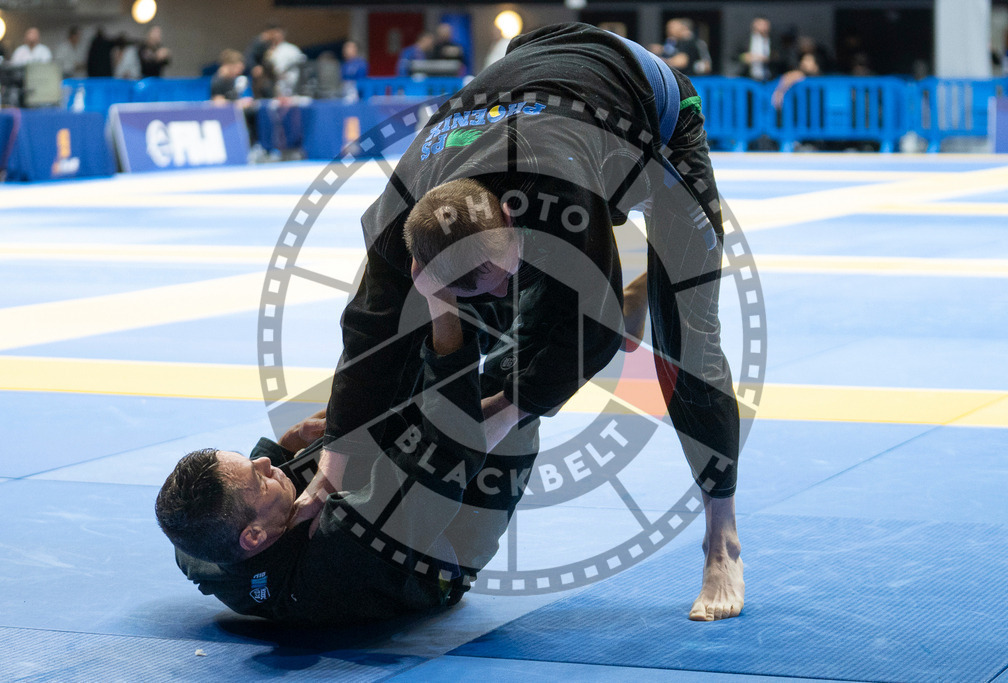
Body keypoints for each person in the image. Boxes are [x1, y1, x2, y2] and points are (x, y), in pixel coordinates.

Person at [295, 22, 744, 622]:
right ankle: (606, 288)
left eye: (502, 271)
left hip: (650, 113)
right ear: (414, 261)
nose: (503, 291)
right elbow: (367, 340)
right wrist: (334, 459)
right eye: (483, 283)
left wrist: (509, 409)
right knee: (484, 317)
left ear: (512, 215)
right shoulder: (393, 217)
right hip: (541, 87)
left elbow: (599, 327)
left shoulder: (556, 187)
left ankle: (723, 540)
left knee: (685, 334)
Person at [157, 283, 541, 623]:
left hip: (368, 497)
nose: (266, 464)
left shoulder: (204, 552)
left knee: (395, 349)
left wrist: (292, 438)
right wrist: (442, 301)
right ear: (254, 537)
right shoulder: (341, 548)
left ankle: (491, 282)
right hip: (439, 544)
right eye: (259, 478)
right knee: (517, 376)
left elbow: (200, 537)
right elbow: (447, 448)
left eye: (252, 460)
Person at [264, 25, 305, 97]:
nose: (276, 36)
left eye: (278, 33)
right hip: (276, 82)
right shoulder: (270, 50)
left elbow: (301, 61)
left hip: (291, 81)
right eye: (274, 34)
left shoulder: (291, 48)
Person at [739, 17, 772, 81]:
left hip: (769, 78)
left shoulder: (773, 40)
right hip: (749, 77)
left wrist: (767, 58)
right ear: (754, 25)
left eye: (765, 25)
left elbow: (780, 56)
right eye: (760, 24)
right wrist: (744, 57)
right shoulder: (745, 40)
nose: (763, 27)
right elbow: (735, 56)